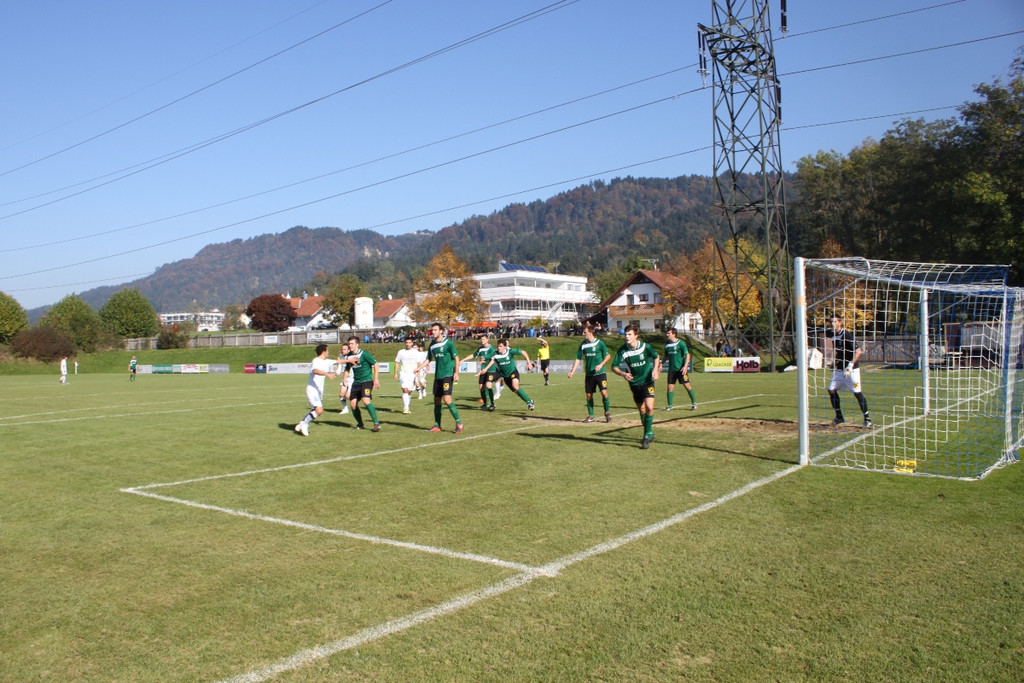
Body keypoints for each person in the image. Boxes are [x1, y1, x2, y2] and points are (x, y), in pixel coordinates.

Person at [611, 325, 660, 449]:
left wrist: (655, 370)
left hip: (648, 381)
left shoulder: (645, 347)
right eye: (625, 334)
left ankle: (646, 435)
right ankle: (649, 432)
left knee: (649, 407)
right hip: (634, 383)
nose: (627, 337)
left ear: (636, 335)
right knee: (642, 410)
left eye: (629, 334)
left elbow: (656, 356)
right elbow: (614, 367)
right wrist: (623, 373)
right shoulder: (623, 350)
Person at [824, 314, 872, 428]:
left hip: (852, 370)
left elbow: (859, 351)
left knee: (857, 392)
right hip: (839, 370)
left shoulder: (847, 335)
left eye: (835, 321)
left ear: (840, 323)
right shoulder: (831, 334)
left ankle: (867, 418)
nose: (832, 324)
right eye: (831, 322)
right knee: (831, 390)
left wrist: (850, 364)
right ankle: (839, 417)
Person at [417, 323, 464, 433]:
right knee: (437, 400)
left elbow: (456, 358)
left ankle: (459, 423)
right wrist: (419, 368)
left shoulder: (449, 343)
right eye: (432, 330)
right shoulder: (432, 345)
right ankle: (437, 425)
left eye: (435, 330)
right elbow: (429, 359)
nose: (432, 332)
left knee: (447, 399)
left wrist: (456, 372)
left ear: (441, 331)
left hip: (447, 375)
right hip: (438, 376)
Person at [567, 323, 612, 423]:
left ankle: (607, 413)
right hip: (589, 375)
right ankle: (591, 415)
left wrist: (600, 365)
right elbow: (578, 358)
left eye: (585, 332)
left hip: (600, 374)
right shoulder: (583, 345)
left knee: (604, 393)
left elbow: (608, 356)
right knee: (589, 396)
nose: (584, 334)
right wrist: (572, 371)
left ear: (591, 332)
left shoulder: (600, 343)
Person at [337, 336, 381, 431]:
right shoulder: (348, 356)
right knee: (353, 404)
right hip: (356, 382)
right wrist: (344, 378)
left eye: (352, 343)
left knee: (366, 401)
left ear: (357, 344)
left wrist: (376, 379)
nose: (350, 345)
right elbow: (347, 368)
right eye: (349, 343)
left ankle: (376, 423)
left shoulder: (364, 354)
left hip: (366, 381)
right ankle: (360, 424)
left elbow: (376, 364)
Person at [295, 344, 337, 436]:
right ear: (323, 352)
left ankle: (301, 424)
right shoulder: (316, 360)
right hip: (312, 390)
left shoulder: (326, 361)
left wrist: (350, 360)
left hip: (318, 391)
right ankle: (305, 424)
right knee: (319, 410)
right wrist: (327, 374)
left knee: (315, 411)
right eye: (327, 350)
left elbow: (339, 361)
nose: (328, 352)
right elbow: (315, 370)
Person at [481, 339, 535, 410]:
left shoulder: (510, 351)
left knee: (515, 386)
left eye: (500, 346)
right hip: (505, 377)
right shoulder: (495, 354)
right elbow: (487, 357)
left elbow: (524, 352)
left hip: (513, 372)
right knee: (516, 391)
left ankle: (529, 403)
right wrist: (482, 359)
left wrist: (529, 362)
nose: (499, 348)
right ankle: (530, 400)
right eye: (498, 346)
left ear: (505, 347)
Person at [461, 333, 498, 410]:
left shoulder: (491, 348)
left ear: (487, 340)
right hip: (483, 371)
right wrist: (463, 359)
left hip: (490, 370)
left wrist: (485, 363)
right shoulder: (480, 349)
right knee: (481, 388)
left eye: (483, 339)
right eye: (481, 339)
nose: (482, 340)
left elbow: (493, 359)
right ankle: (485, 404)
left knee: (488, 385)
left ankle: (492, 404)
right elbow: (473, 355)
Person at [663, 328, 697, 411]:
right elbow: (666, 356)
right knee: (670, 387)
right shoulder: (667, 344)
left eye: (668, 333)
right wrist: (661, 364)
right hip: (671, 370)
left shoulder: (681, 343)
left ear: (674, 334)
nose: (667, 334)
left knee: (687, 386)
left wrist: (685, 366)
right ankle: (670, 405)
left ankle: (694, 404)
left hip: (681, 370)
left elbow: (688, 355)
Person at [394, 337, 421, 414]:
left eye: (409, 342)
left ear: (412, 343)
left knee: (409, 392)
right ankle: (406, 408)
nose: (408, 344)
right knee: (405, 390)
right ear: (405, 343)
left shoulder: (416, 352)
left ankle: (407, 406)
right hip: (403, 374)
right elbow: (397, 362)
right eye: (407, 342)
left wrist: (418, 373)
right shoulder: (401, 352)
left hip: (413, 375)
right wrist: (395, 373)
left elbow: (419, 363)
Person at [336, 342, 353, 414]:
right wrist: (336, 374)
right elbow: (339, 368)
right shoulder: (341, 358)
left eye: (345, 349)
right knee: (341, 394)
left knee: (348, 396)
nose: (343, 350)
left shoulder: (352, 357)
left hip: (353, 379)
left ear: (348, 350)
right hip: (345, 379)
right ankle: (345, 408)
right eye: (342, 349)